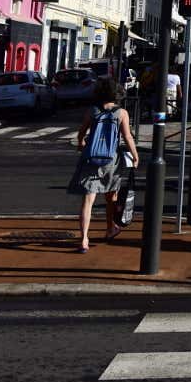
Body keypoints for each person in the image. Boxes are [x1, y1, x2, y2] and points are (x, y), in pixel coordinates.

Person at [68, 78, 140, 253]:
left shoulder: (92, 110)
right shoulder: (121, 113)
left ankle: (84, 239)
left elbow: (82, 131)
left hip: (91, 157)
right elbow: (127, 137)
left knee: (88, 200)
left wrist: (80, 143)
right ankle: (110, 228)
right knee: (111, 197)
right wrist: (135, 156)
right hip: (111, 159)